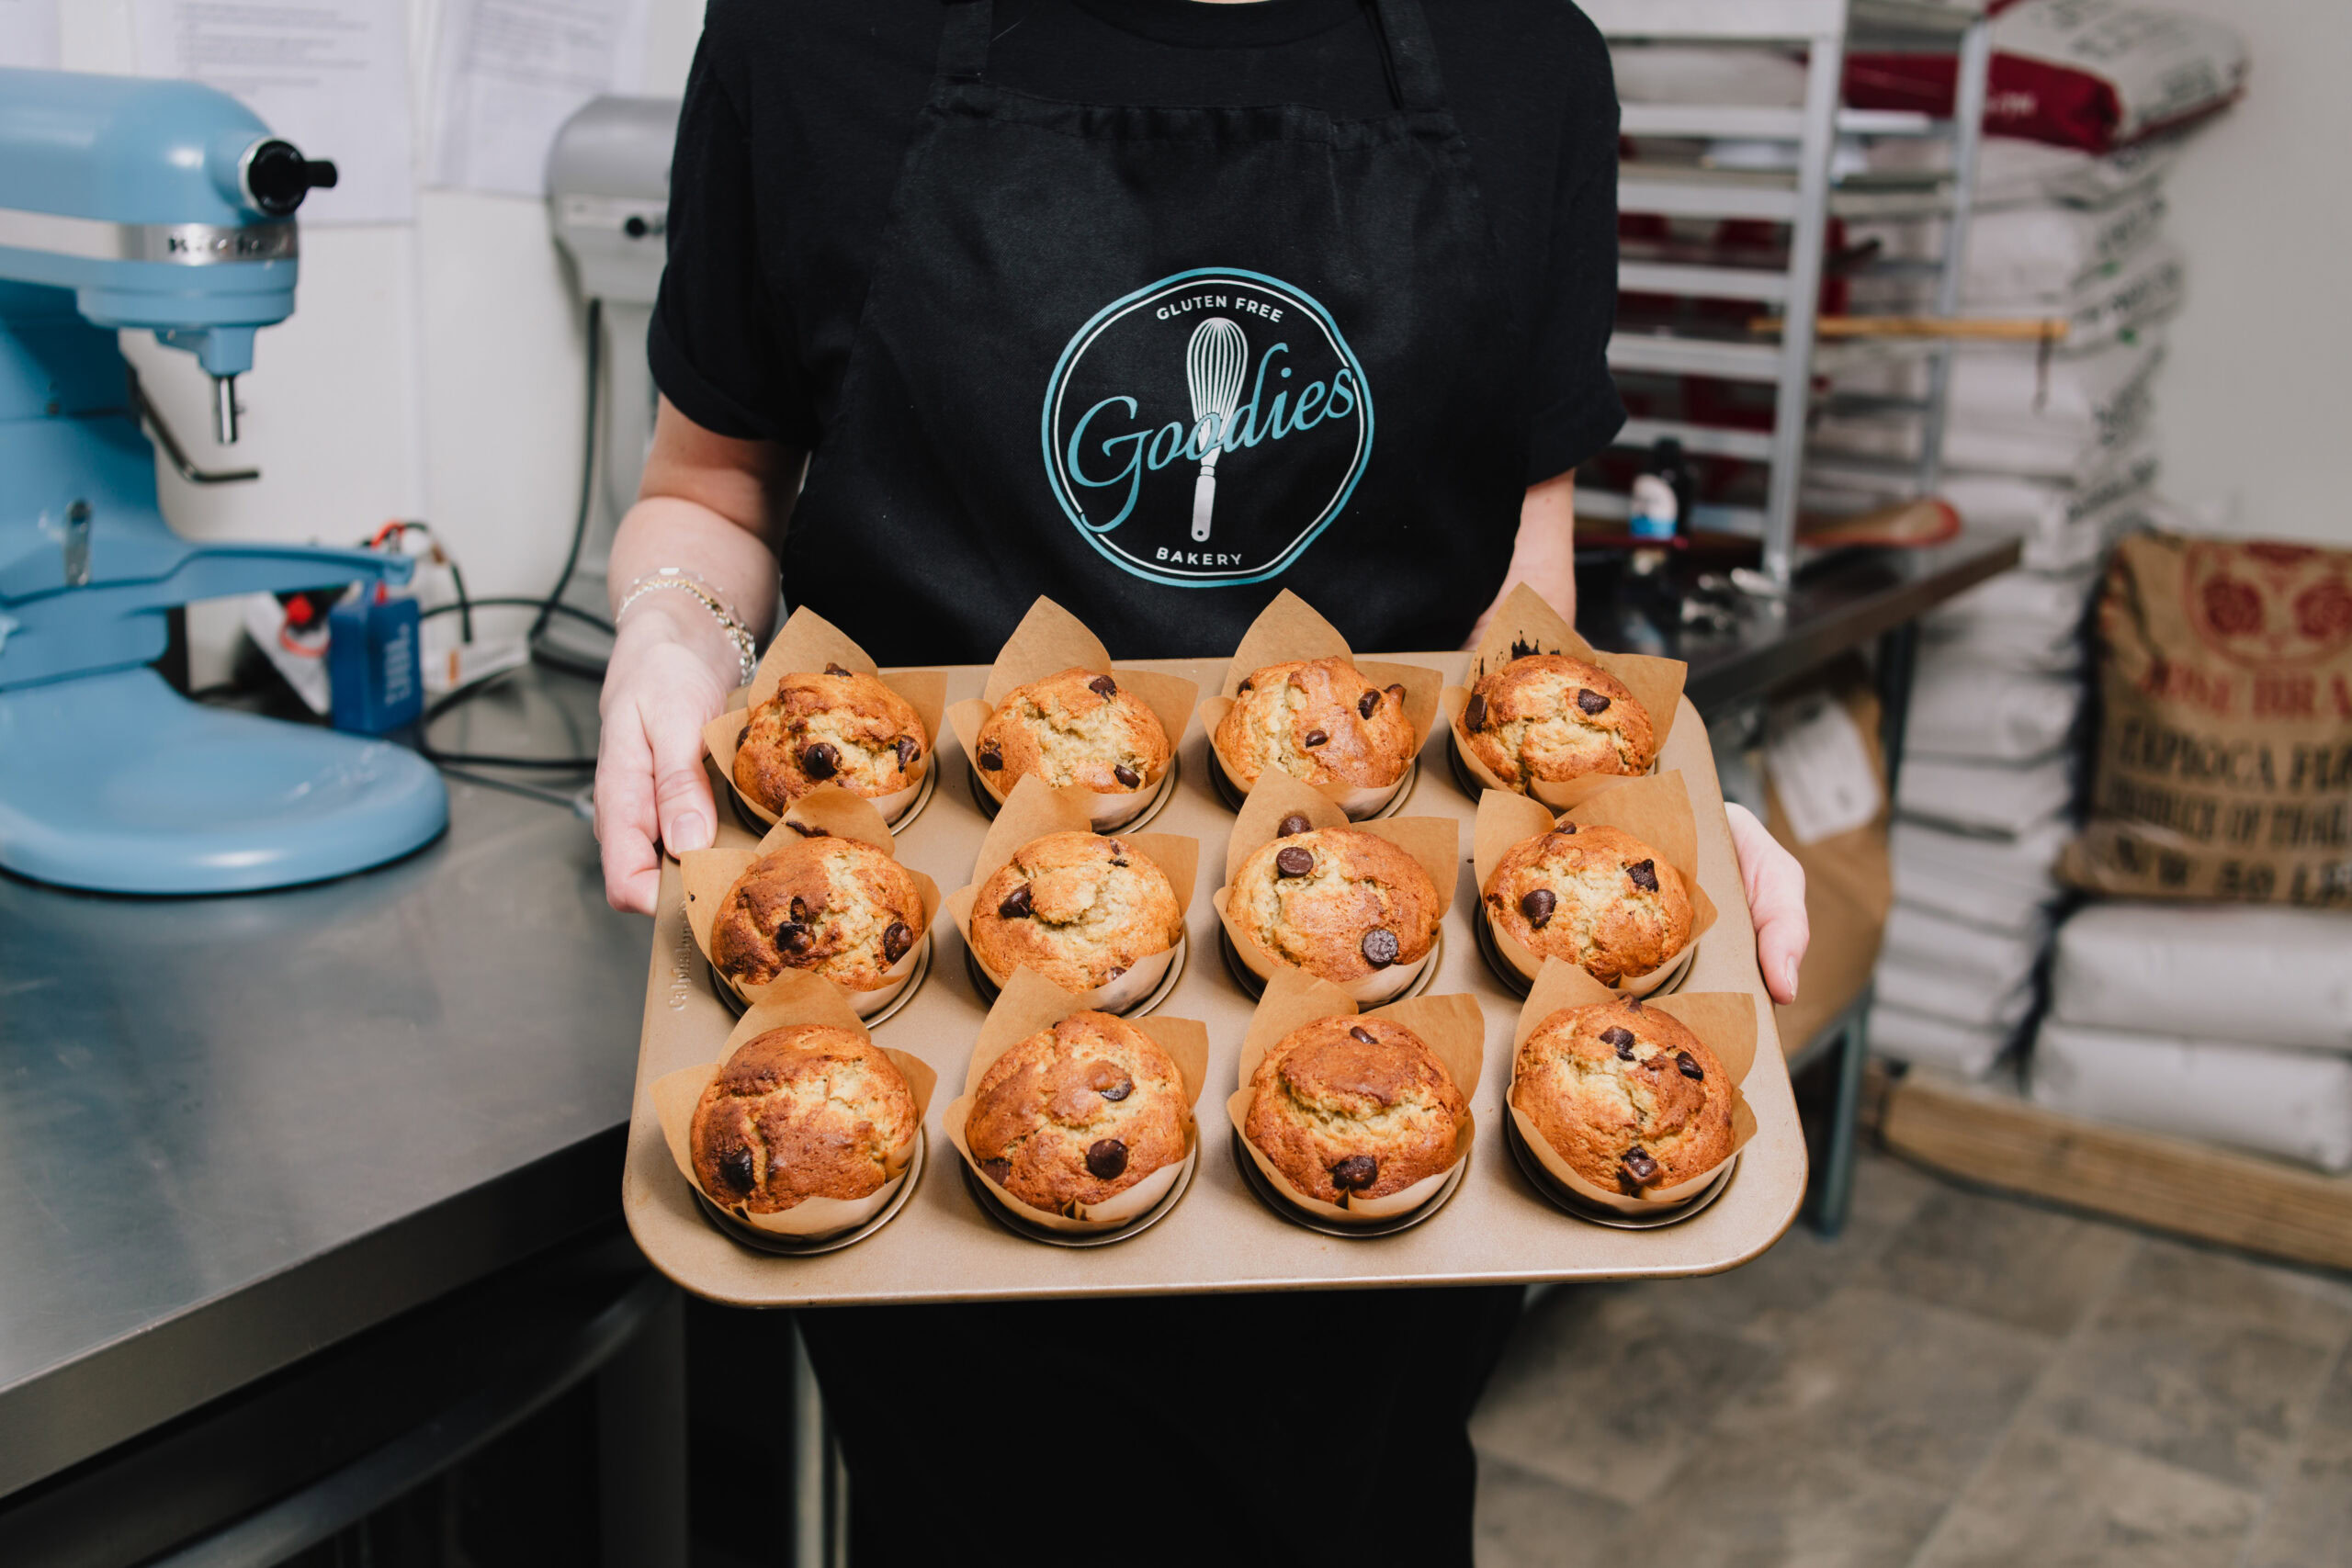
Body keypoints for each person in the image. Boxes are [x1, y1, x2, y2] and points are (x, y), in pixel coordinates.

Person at [594, 1, 1808, 1560]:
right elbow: (711, 486)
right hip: (940, 1055)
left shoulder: (1526, 59)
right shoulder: (808, 35)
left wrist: (1617, 814)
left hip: (1398, 1047)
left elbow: (1525, 562)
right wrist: (671, 631)